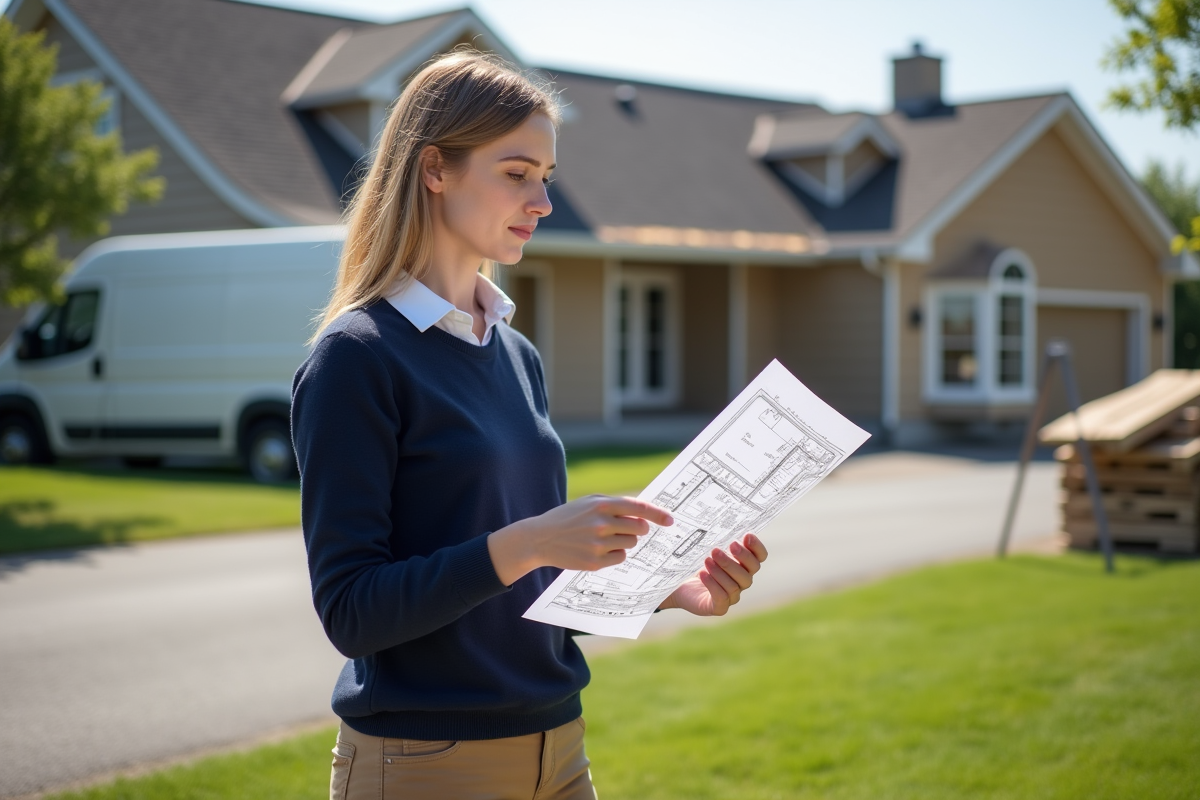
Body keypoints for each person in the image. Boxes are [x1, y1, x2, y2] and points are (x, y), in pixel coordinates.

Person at [291, 49, 770, 800]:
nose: (541, 202)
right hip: (428, 763)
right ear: (434, 170)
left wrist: (666, 589)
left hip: (560, 746)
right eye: (517, 173)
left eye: (545, 177)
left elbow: (520, 593)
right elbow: (353, 612)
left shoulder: (514, 352)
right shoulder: (357, 358)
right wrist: (532, 541)